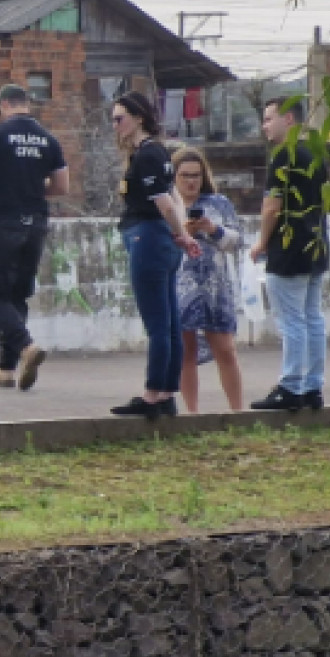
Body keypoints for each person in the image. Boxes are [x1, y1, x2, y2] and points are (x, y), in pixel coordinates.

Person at [0, 83, 68, 391]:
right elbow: (62, 187)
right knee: (17, 294)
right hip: (35, 224)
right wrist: (32, 188)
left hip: (5, 223)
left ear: (4, 105)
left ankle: (26, 346)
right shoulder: (49, 139)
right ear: (26, 104)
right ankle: (6, 369)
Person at [108, 90, 202, 418]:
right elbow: (174, 196)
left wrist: (180, 232)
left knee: (158, 323)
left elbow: (164, 202)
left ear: (139, 118)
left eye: (120, 118)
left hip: (147, 237)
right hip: (159, 238)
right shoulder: (157, 152)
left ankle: (152, 395)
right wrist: (182, 233)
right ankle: (165, 393)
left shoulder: (148, 154)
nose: (116, 125)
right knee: (170, 321)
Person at [250, 96, 330, 411]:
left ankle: (290, 386)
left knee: (292, 321)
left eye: (270, 118)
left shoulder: (284, 156)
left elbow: (272, 206)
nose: (264, 125)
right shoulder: (314, 154)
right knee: (312, 318)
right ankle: (313, 386)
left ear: (289, 120)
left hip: (288, 247)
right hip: (316, 246)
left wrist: (260, 242)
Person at [172, 147, 245, 413]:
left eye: (196, 175)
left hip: (215, 286)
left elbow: (236, 241)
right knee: (185, 351)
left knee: (225, 349)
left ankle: (238, 411)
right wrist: (182, 232)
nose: (191, 181)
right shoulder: (168, 206)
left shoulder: (218, 204)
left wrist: (212, 229)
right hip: (182, 284)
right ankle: (192, 413)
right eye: (184, 176)